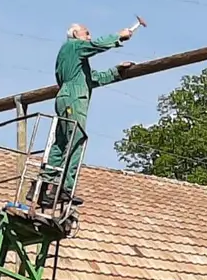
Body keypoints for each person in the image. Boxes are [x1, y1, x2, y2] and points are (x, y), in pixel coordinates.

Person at [36, 23, 134, 212]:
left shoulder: (73, 59)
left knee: (61, 143)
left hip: (66, 98)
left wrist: (116, 71)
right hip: (74, 99)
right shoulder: (73, 46)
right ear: (75, 34)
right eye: (86, 33)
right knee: (76, 140)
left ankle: (42, 186)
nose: (89, 37)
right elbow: (96, 45)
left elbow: (93, 79)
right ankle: (65, 187)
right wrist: (119, 36)